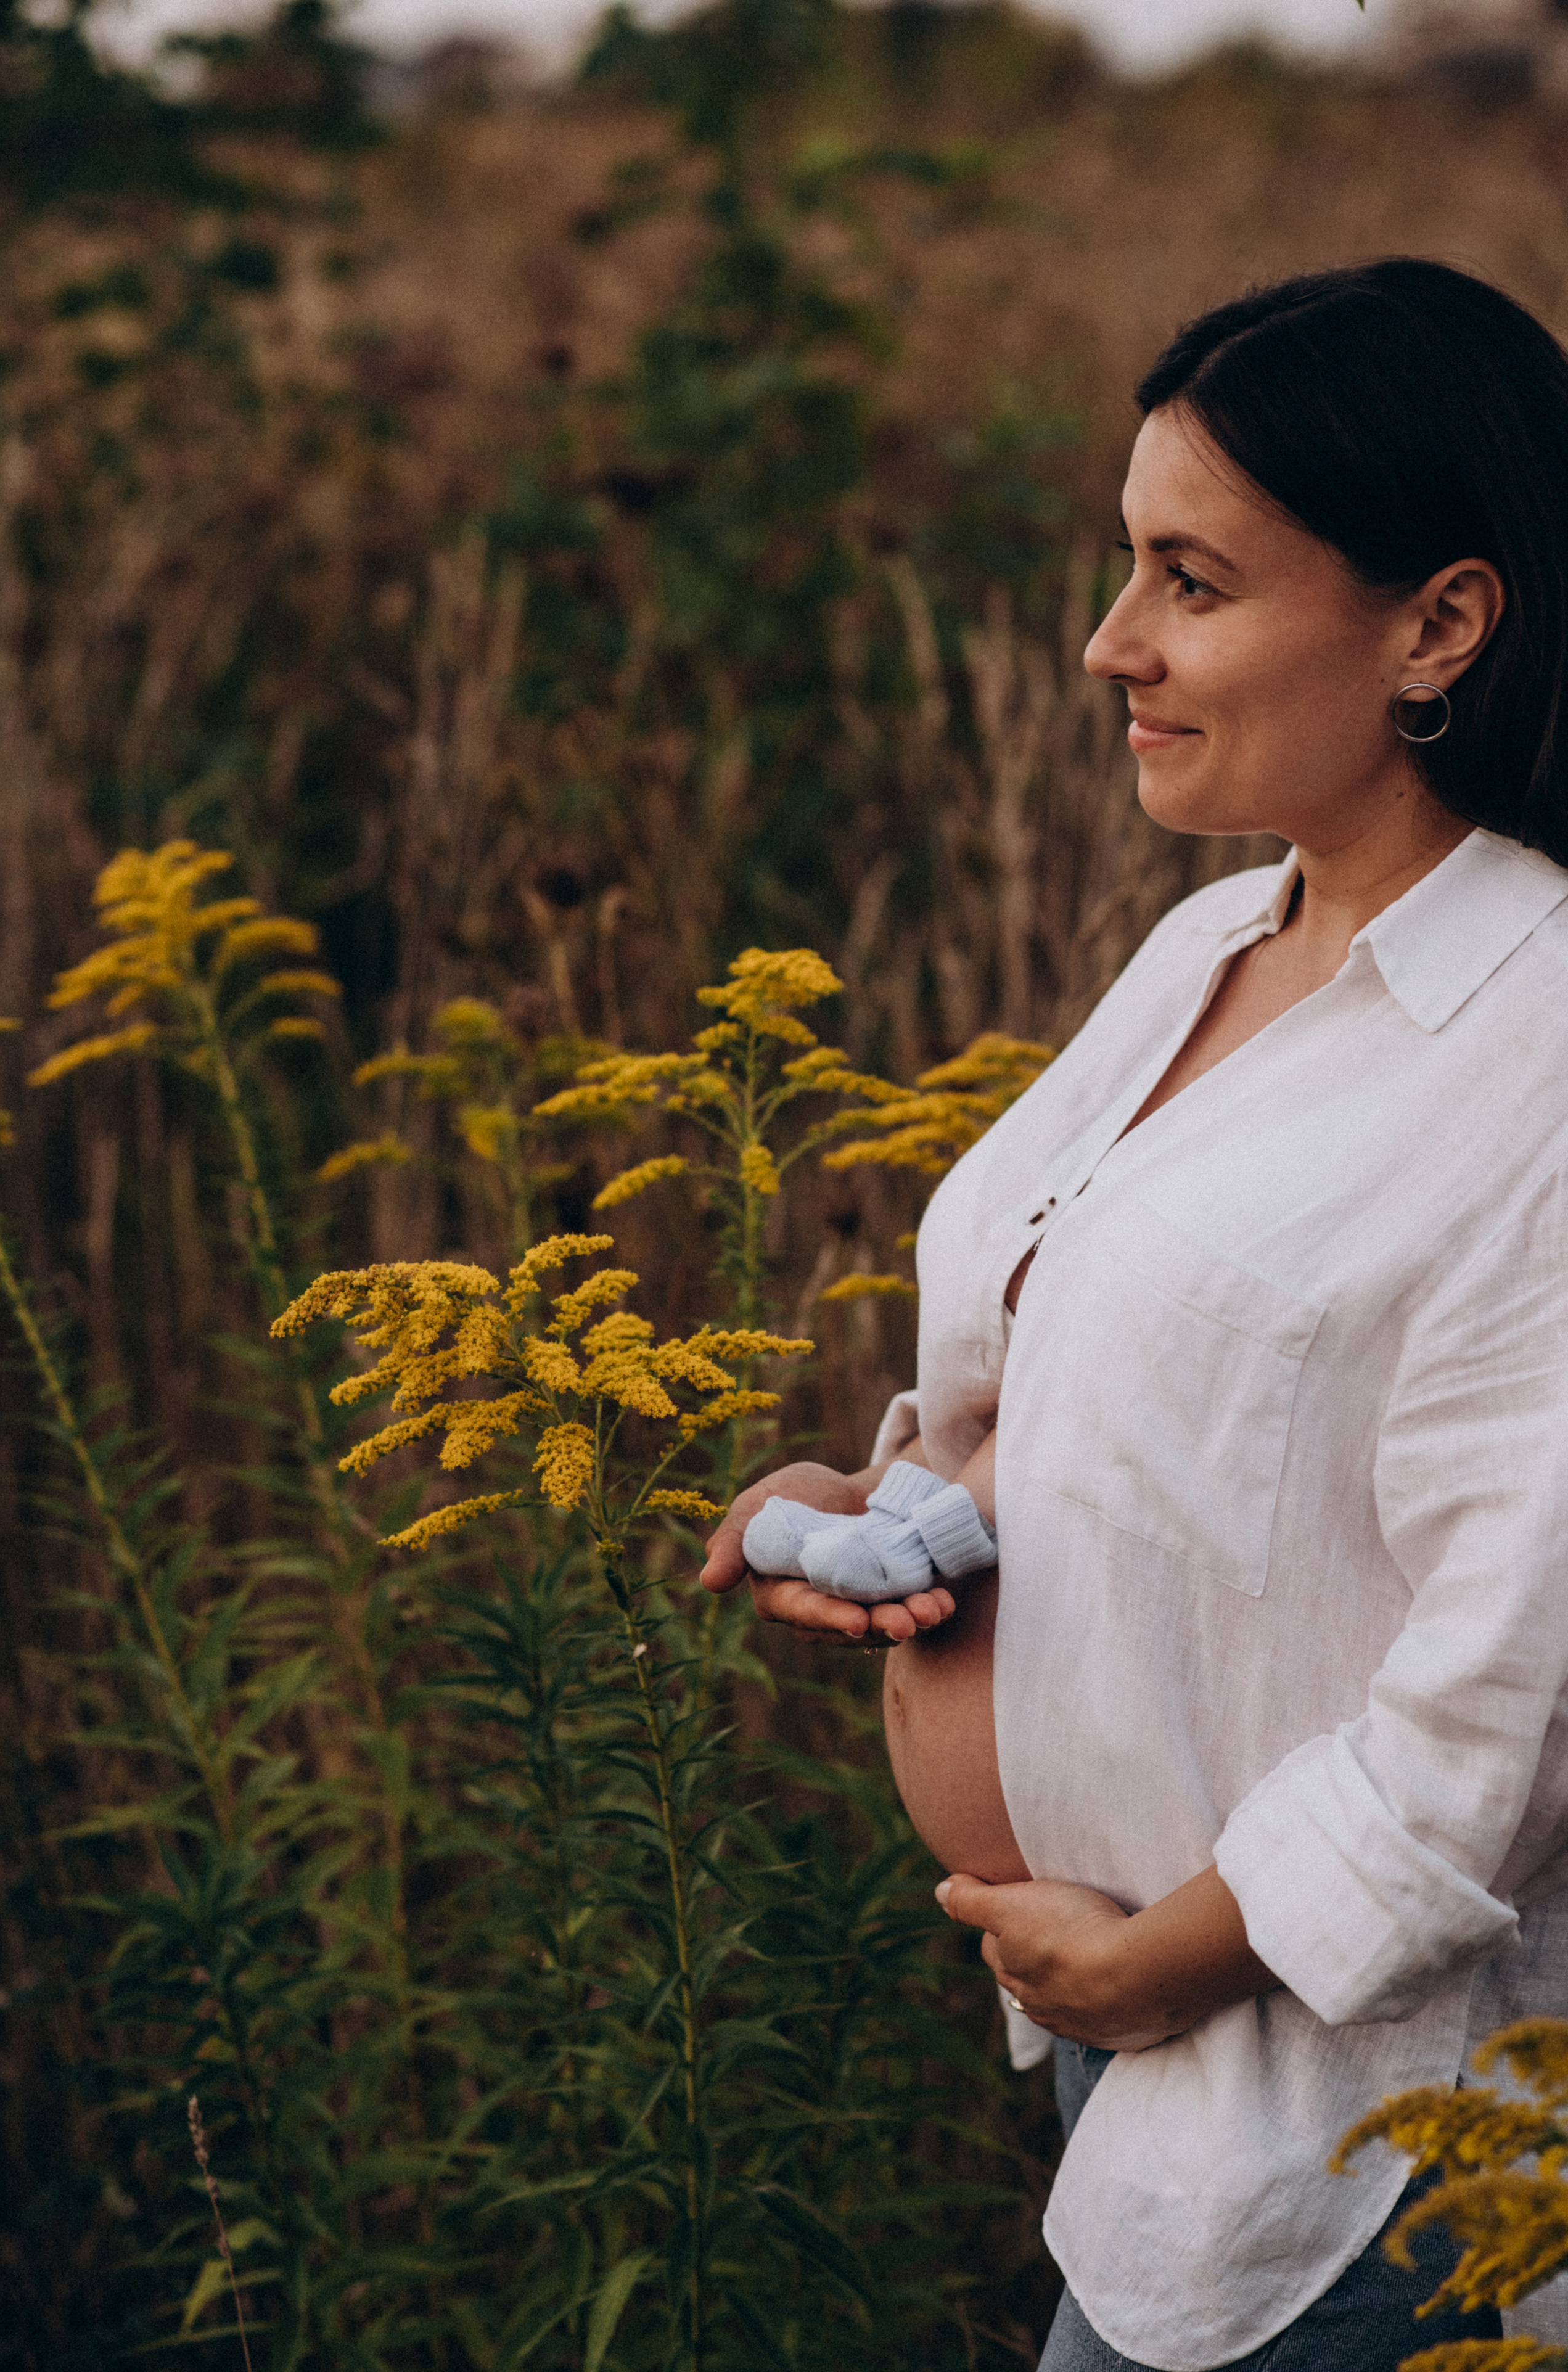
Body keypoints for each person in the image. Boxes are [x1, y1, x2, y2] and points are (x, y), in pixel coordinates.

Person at [700, 258, 1568, 2370]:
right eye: (1126, 569)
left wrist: (1170, 1960)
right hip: (1134, 2072)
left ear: (1442, 622)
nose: (1113, 646)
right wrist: (883, 1496)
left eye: (1191, 580)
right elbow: (1050, 1361)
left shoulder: (1535, 1045)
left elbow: (1518, 1676)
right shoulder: (1205, 949)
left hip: (1374, 2129)